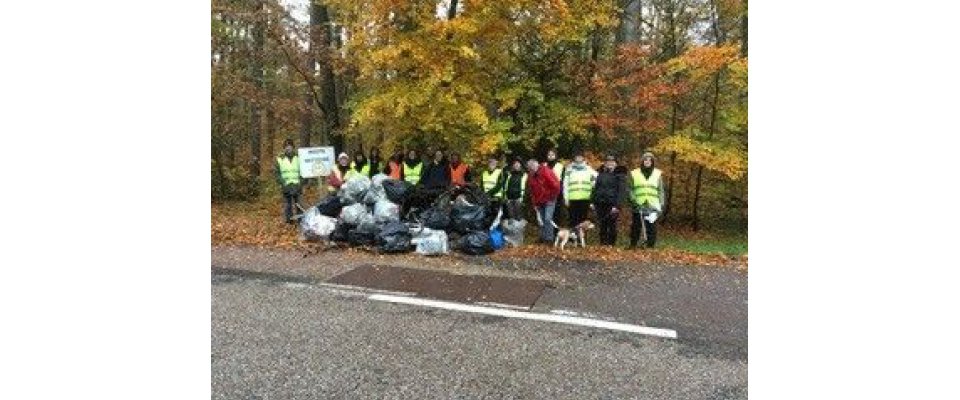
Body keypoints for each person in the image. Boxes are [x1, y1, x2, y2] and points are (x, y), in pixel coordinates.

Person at [627, 151, 666, 249]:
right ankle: (633, 245)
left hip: (653, 204)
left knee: (651, 227)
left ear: (652, 162)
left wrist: (661, 203)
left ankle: (650, 246)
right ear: (642, 161)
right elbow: (630, 189)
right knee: (636, 226)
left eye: (650, 160)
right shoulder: (634, 173)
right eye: (645, 159)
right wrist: (633, 200)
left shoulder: (657, 174)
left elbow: (660, 190)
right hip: (638, 203)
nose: (647, 161)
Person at [591, 154, 626, 246]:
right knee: (603, 225)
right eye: (608, 162)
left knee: (612, 225)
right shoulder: (600, 174)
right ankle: (602, 244)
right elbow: (595, 188)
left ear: (615, 163)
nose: (610, 163)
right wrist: (593, 201)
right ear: (605, 163)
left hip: (613, 204)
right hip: (600, 203)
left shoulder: (620, 174)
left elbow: (621, 191)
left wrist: (617, 206)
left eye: (612, 162)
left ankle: (611, 245)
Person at [526, 158, 562, 244]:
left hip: (550, 199)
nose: (531, 170)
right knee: (541, 220)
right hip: (539, 201)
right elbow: (532, 191)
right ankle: (543, 237)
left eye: (532, 168)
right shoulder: (531, 176)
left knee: (547, 219)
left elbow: (556, 185)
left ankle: (549, 239)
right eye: (529, 169)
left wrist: (552, 196)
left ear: (536, 165)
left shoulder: (545, 171)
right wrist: (534, 203)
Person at [563, 150, 597, 229]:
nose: (578, 158)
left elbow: (596, 181)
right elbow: (565, 185)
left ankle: (582, 239)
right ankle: (573, 239)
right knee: (572, 220)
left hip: (585, 199)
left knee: (583, 221)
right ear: (574, 158)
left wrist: (593, 198)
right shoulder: (569, 169)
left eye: (580, 156)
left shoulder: (589, 169)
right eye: (577, 157)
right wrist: (566, 198)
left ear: (583, 158)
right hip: (572, 199)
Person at [273, 139, 303, 224]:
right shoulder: (279, 159)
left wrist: (301, 183)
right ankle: (289, 222)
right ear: (284, 148)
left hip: (297, 185)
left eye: (290, 146)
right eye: (286, 146)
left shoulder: (299, 157)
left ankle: (301, 221)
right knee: (288, 205)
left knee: (299, 205)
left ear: (293, 147)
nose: (288, 148)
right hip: (286, 185)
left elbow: (303, 171)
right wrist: (283, 183)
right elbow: (277, 173)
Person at [545, 149, 566, 234]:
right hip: (545, 194)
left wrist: (561, 194)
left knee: (556, 215)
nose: (550, 156)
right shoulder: (544, 165)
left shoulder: (560, 166)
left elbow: (563, 181)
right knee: (546, 216)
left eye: (552, 155)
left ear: (556, 156)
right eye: (549, 155)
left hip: (557, 194)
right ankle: (548, 235)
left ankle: (556, 234)